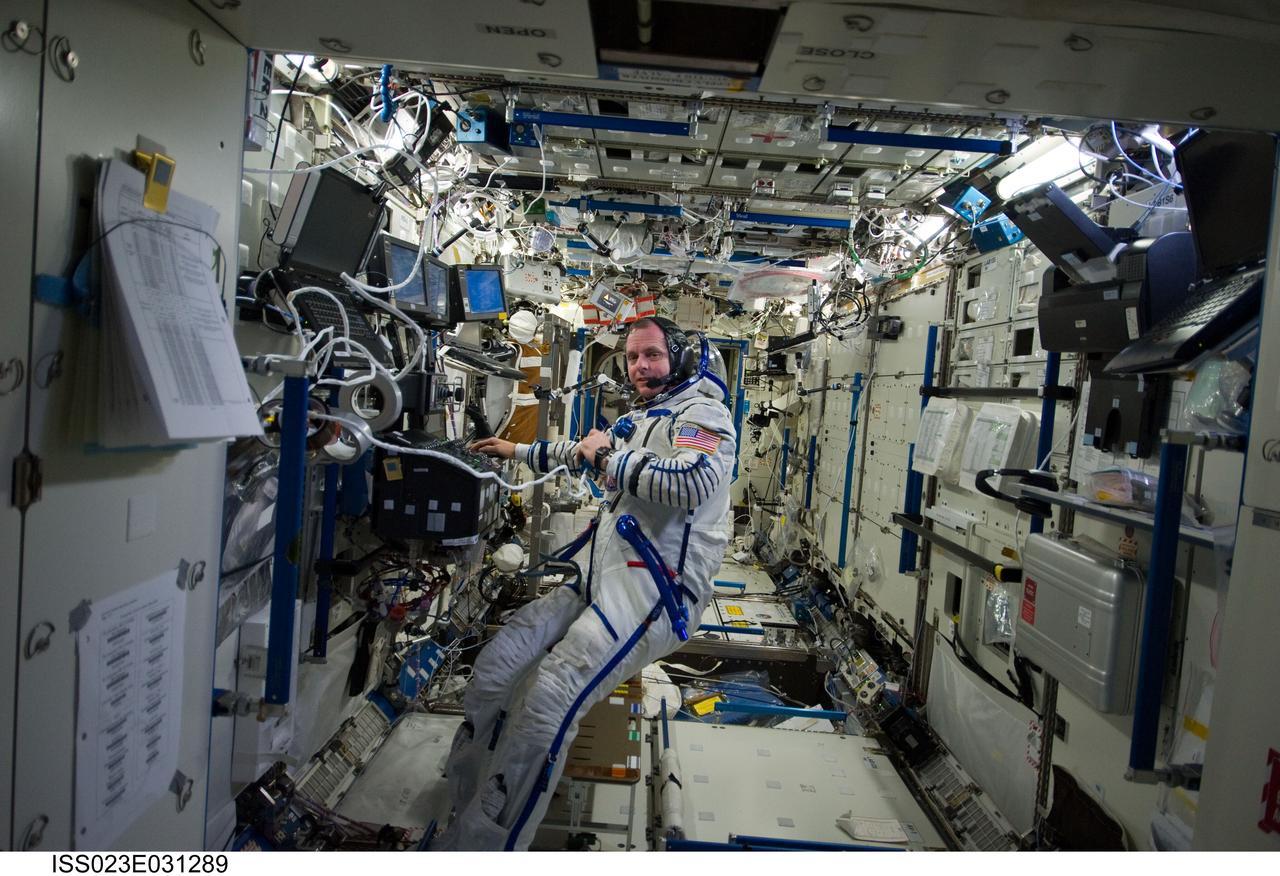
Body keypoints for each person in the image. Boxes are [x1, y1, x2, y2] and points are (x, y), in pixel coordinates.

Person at [437, 316, 737, 850]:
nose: (639, 367)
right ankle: (465, 788)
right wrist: (517, 452)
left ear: (683, 357)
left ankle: (486, 843)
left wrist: (604, 455)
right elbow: (583, 452)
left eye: (652, 356)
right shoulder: (650, 415)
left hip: (654, 592)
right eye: (632, 357)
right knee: (499, 664)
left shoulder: (701, 414)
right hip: (606, 575)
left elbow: (693, 482)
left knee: (551, 694)